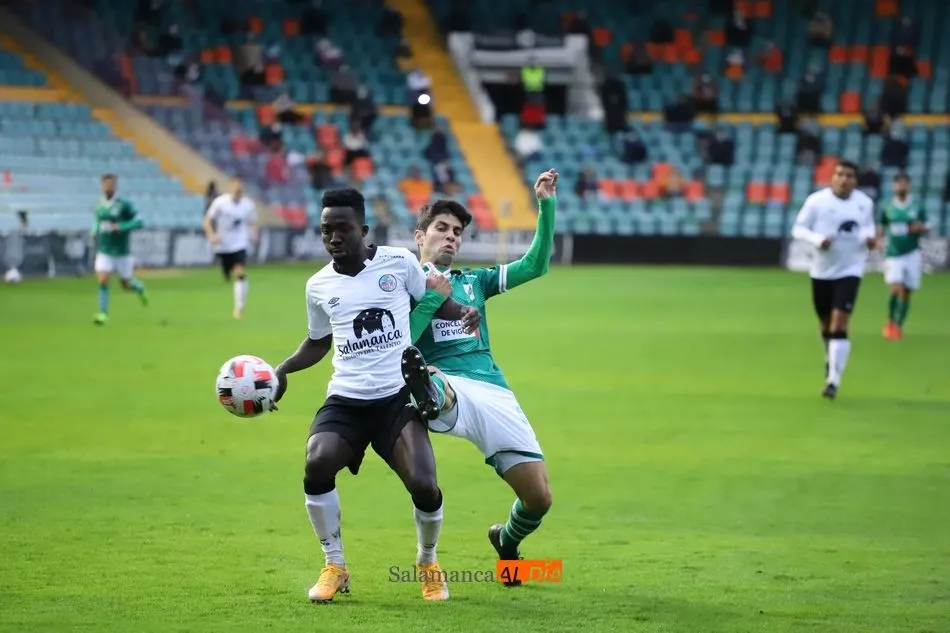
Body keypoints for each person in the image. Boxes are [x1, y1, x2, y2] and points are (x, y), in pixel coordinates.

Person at [270, 188, 480, 603]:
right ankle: (335, 565)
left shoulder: (398, 262)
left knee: (425, 484)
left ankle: (427, 560)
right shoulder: (317, 285)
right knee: (317, 462)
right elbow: (318, 342)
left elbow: (433, 300)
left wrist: (463, 312)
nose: (333, 237)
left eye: (342, 228)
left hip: (396, 398)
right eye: (326, 230)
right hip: (346, 400)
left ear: (363, 230)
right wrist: (282, 369)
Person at [399, 169, 558, 586]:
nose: (450, 236)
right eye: (440, 228)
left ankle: (505, 544)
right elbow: (400, 342)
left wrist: (545, 204)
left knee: (539, 498)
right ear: (420, 236)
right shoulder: (402, 287)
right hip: (446, 386)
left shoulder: (475, 282)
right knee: (428, 377)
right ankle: (428, 392)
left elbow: (535, 265)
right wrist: (433, 293)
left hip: (492, 392)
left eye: (457, 232)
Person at [791, 160, 876, 399]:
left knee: (839, 322)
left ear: (855, 181)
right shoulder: (816, 201)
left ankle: (833, 380)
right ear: (833, 177)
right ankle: (831, 360)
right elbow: (798, 229)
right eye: (840, 174)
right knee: (825, 324)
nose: (844, 179)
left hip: (851, 269)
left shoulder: (864, 203)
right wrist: (818, 240)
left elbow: (868, 228)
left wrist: (869, 239)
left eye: (849, 175)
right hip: (821, 270)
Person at [878, 172, 928, 340]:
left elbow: (926, 226)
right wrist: (878, 241)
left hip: (912, 252)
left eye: (904, 183)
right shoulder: (887, 207)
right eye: (898, 183)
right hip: (893, 253)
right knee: (895, 287)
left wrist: (919, 228)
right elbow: (881, 226)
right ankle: (891, 322)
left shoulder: (917, 206)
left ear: (909, 185)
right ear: (894, 186)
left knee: (906, 291)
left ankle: (898, 325)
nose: (901, 186)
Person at [92, 173, 148, 325]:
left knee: (126, 285)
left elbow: (140, 221)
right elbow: (98, 221)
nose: (108, 187)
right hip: (104, 251)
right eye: (106, 184)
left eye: (111, 184)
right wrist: (93, 230)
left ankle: (139, 287)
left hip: (122, 252)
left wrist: (122, 226)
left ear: (115, 186)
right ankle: (103, 314)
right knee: (103, 280)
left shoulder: (124, 204)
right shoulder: (98, 204)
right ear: (102, 186)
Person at [202, 178, 258, 319]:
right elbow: (207, 221)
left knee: (240, 273)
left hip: (240, 244)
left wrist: (254, 235)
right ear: (230, 188)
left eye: (240, 189)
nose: (238, 191)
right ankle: (226, 272)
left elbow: (252, 222)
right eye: (236, 188)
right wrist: (212, 236)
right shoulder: (220, 203)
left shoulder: (248, 205)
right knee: (227, 273)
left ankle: (239, 308)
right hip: (223, 245)